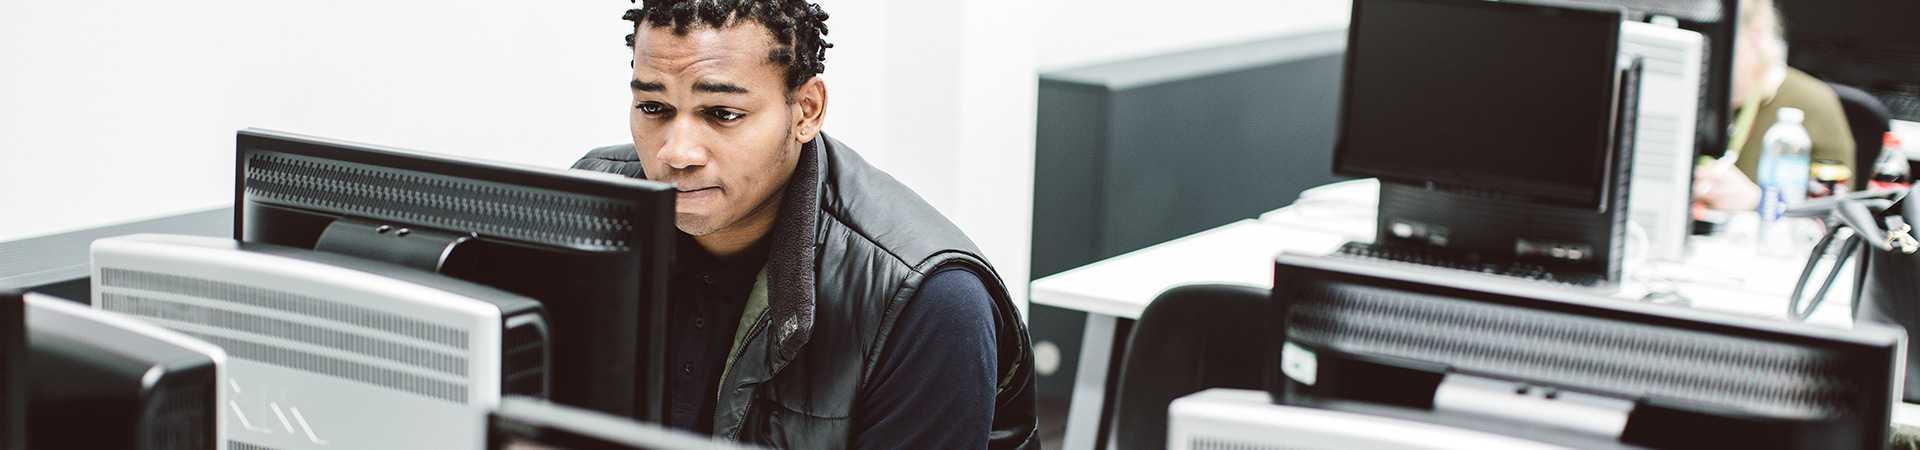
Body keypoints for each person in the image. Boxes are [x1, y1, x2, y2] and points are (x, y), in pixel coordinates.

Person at [569, 1, 1040, 448]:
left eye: (723, 114)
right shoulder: (589, 202)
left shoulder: (929, 300)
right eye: (654, 108)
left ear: (806, 110)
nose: (676, 152)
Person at [1693, 0, 1856, 211]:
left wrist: (1757, 202)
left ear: (1755, 35)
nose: (1710, 69)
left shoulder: (1813, 103)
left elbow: (1839, 218)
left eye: (1718, 53)